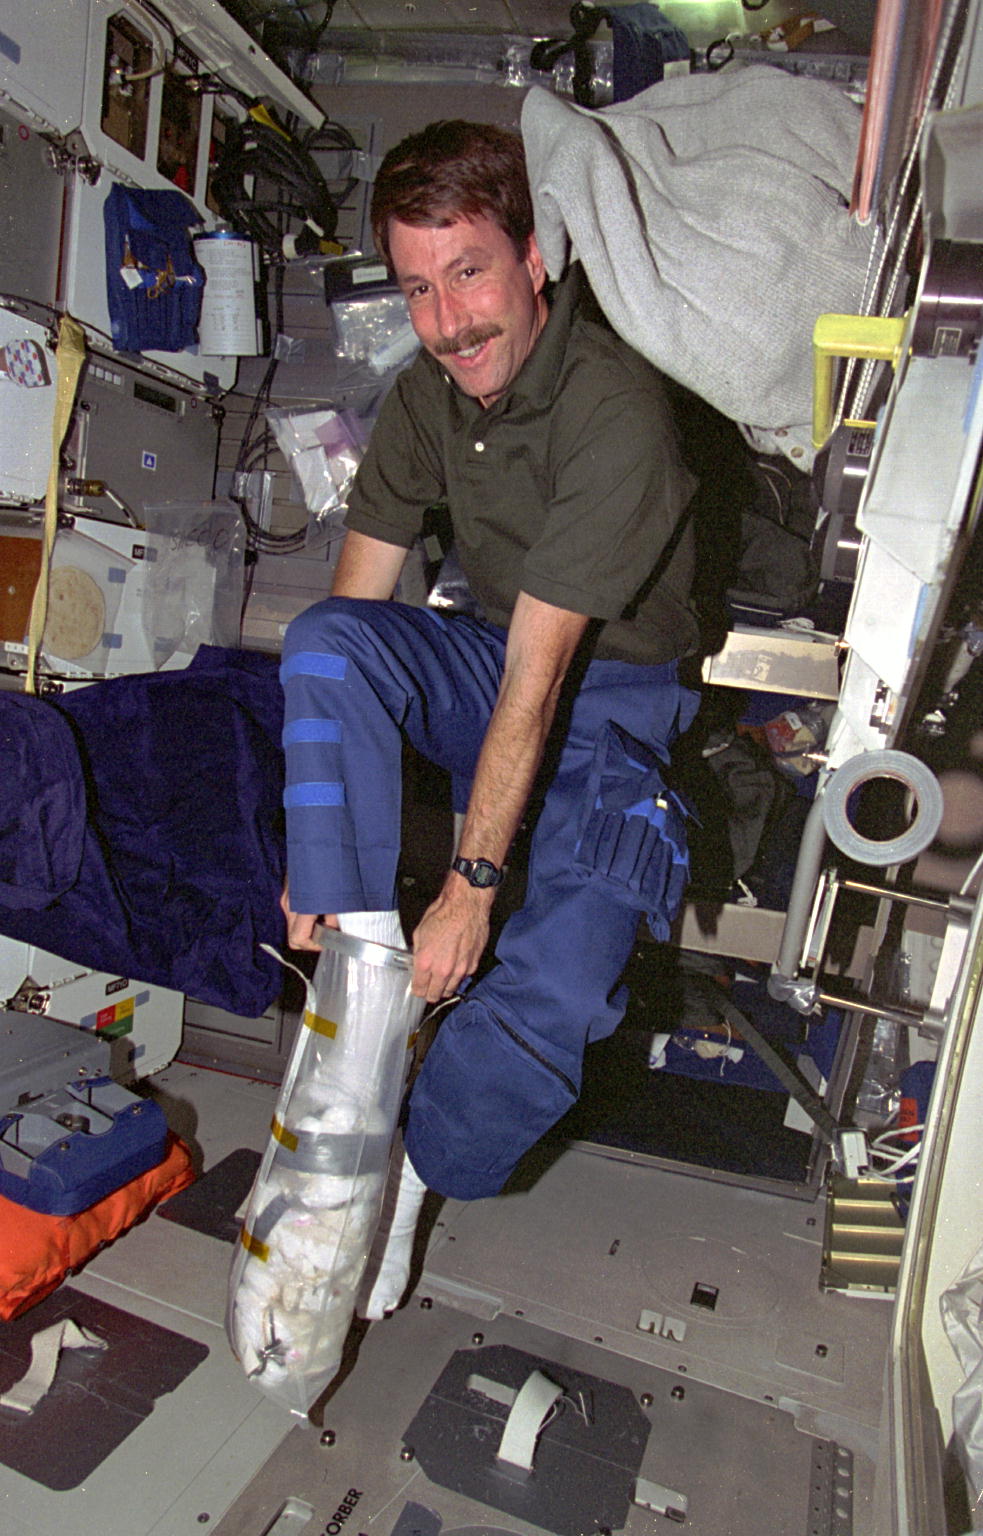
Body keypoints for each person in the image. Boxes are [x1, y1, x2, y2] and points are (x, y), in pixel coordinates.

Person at [279, 119, 701, 1316]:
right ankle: (362, 1002)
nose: (448, 319)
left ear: (533, 258)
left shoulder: (613, 409)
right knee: (319, 647)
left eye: (468, 271)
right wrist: (311, 852)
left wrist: (469, 885)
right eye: (417, 287)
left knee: (560, 988)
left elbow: (542, 675)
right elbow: (348, 622)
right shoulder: (423, 398)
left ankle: (411, 1175)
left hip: (609, 701)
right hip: (487, 660)